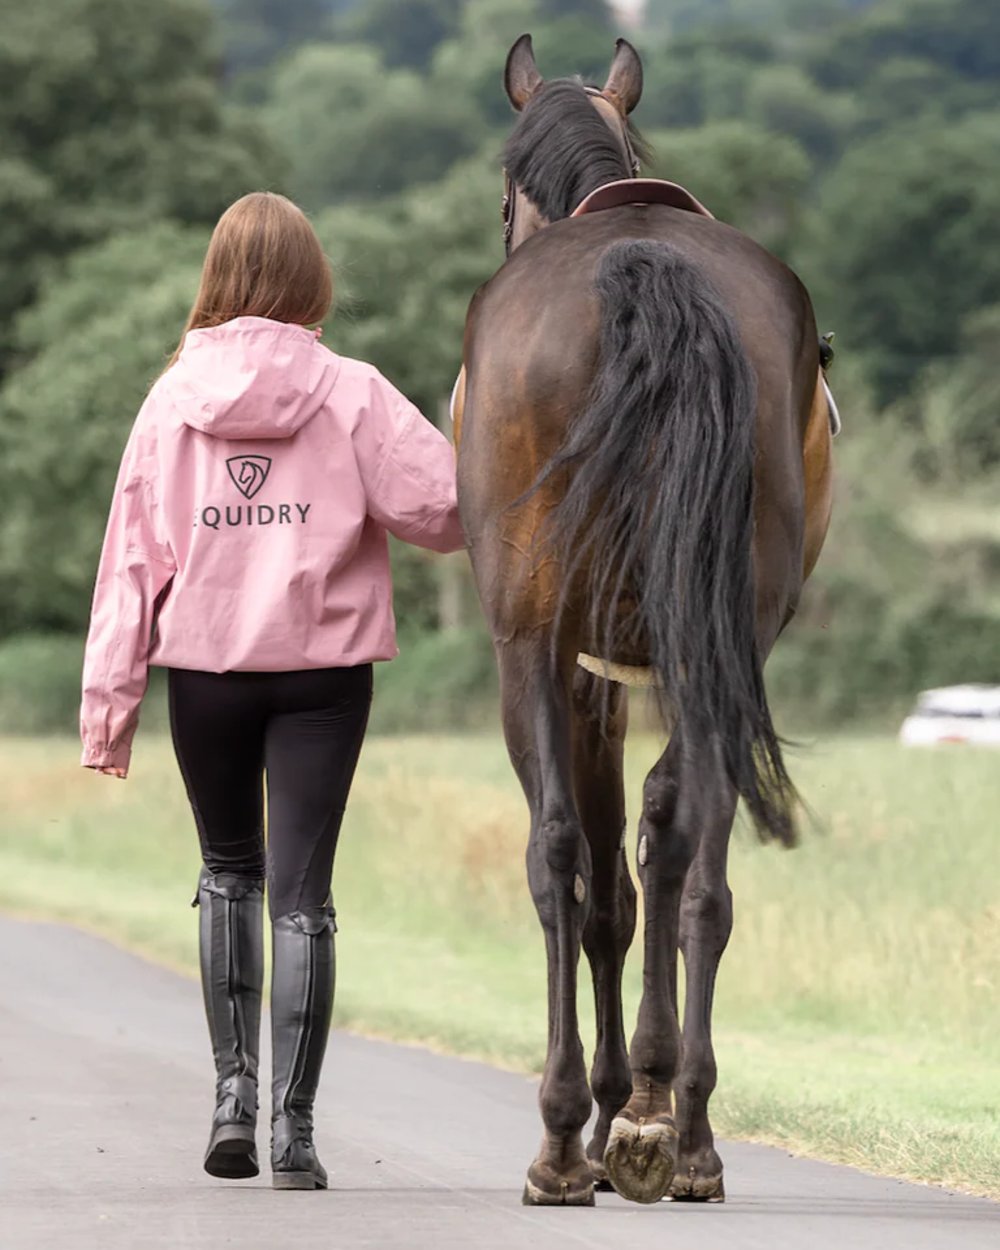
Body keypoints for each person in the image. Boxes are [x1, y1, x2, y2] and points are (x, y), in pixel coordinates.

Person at [79, 191, 465, 1190]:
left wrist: (109, 702)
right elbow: (446, 508)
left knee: (226, 872)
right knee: (301, 895)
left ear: (216, 276)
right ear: (310, 280)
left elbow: (130, 558)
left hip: (204, 675)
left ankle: (231, 1102)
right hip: (321, 678)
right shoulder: (353, 391)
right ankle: (294, 1130)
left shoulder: (171, 401)